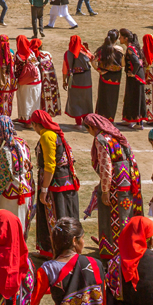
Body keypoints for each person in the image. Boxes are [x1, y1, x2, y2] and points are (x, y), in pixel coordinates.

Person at [84, 113, 142, 261]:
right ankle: (128, 246)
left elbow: (105, 166)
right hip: (127, 180)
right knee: (125, 215)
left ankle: (112, 250)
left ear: (92, 127)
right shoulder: (116, 135)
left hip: (114, 183)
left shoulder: (101, 139)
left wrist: (105, 190)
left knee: (111, 215)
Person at [29, 110, 80, 259]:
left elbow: (50, 166)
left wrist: (44, 190)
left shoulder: (46, 136)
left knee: (55, 217)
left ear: (36, 124)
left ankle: (55, 251)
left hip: (55, 185)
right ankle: (54, 250)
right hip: (65, 182)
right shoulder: (55, 134)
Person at [0, 114, 33, 228]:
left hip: (11, 195)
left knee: (10, 229)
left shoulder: (6, 150)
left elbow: (4, 176)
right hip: (25, 190)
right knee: (22, 227)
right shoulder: (23, 143)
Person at [63, 35, 94, 120]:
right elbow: (92, 58)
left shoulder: (67, 53)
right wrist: (87, 49)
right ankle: (86, 120)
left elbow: (65, 70)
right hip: (86, 80)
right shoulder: (84, 52)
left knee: (75, 100)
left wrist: (64, 81)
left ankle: (78, 123)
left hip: (74, 80)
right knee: (86, 99)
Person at [95, 30, 123, 121]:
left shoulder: (102, 49)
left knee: (103, 96)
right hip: (115, 79)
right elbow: (122, 64)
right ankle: (110, 119)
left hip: (104, 76)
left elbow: (93, 61)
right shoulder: (119, 50)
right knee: (112, 98)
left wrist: (99, 70)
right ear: (116, 39)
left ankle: (100, 117)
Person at [15, 37, 43, 122]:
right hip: (36, 79)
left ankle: (27, 120)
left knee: (26, 100)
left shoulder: (19, 55)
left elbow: (19, 70)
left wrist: (16, 78)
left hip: (26, 81)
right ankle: (34, 119)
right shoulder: (31, 52)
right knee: (34, 100)